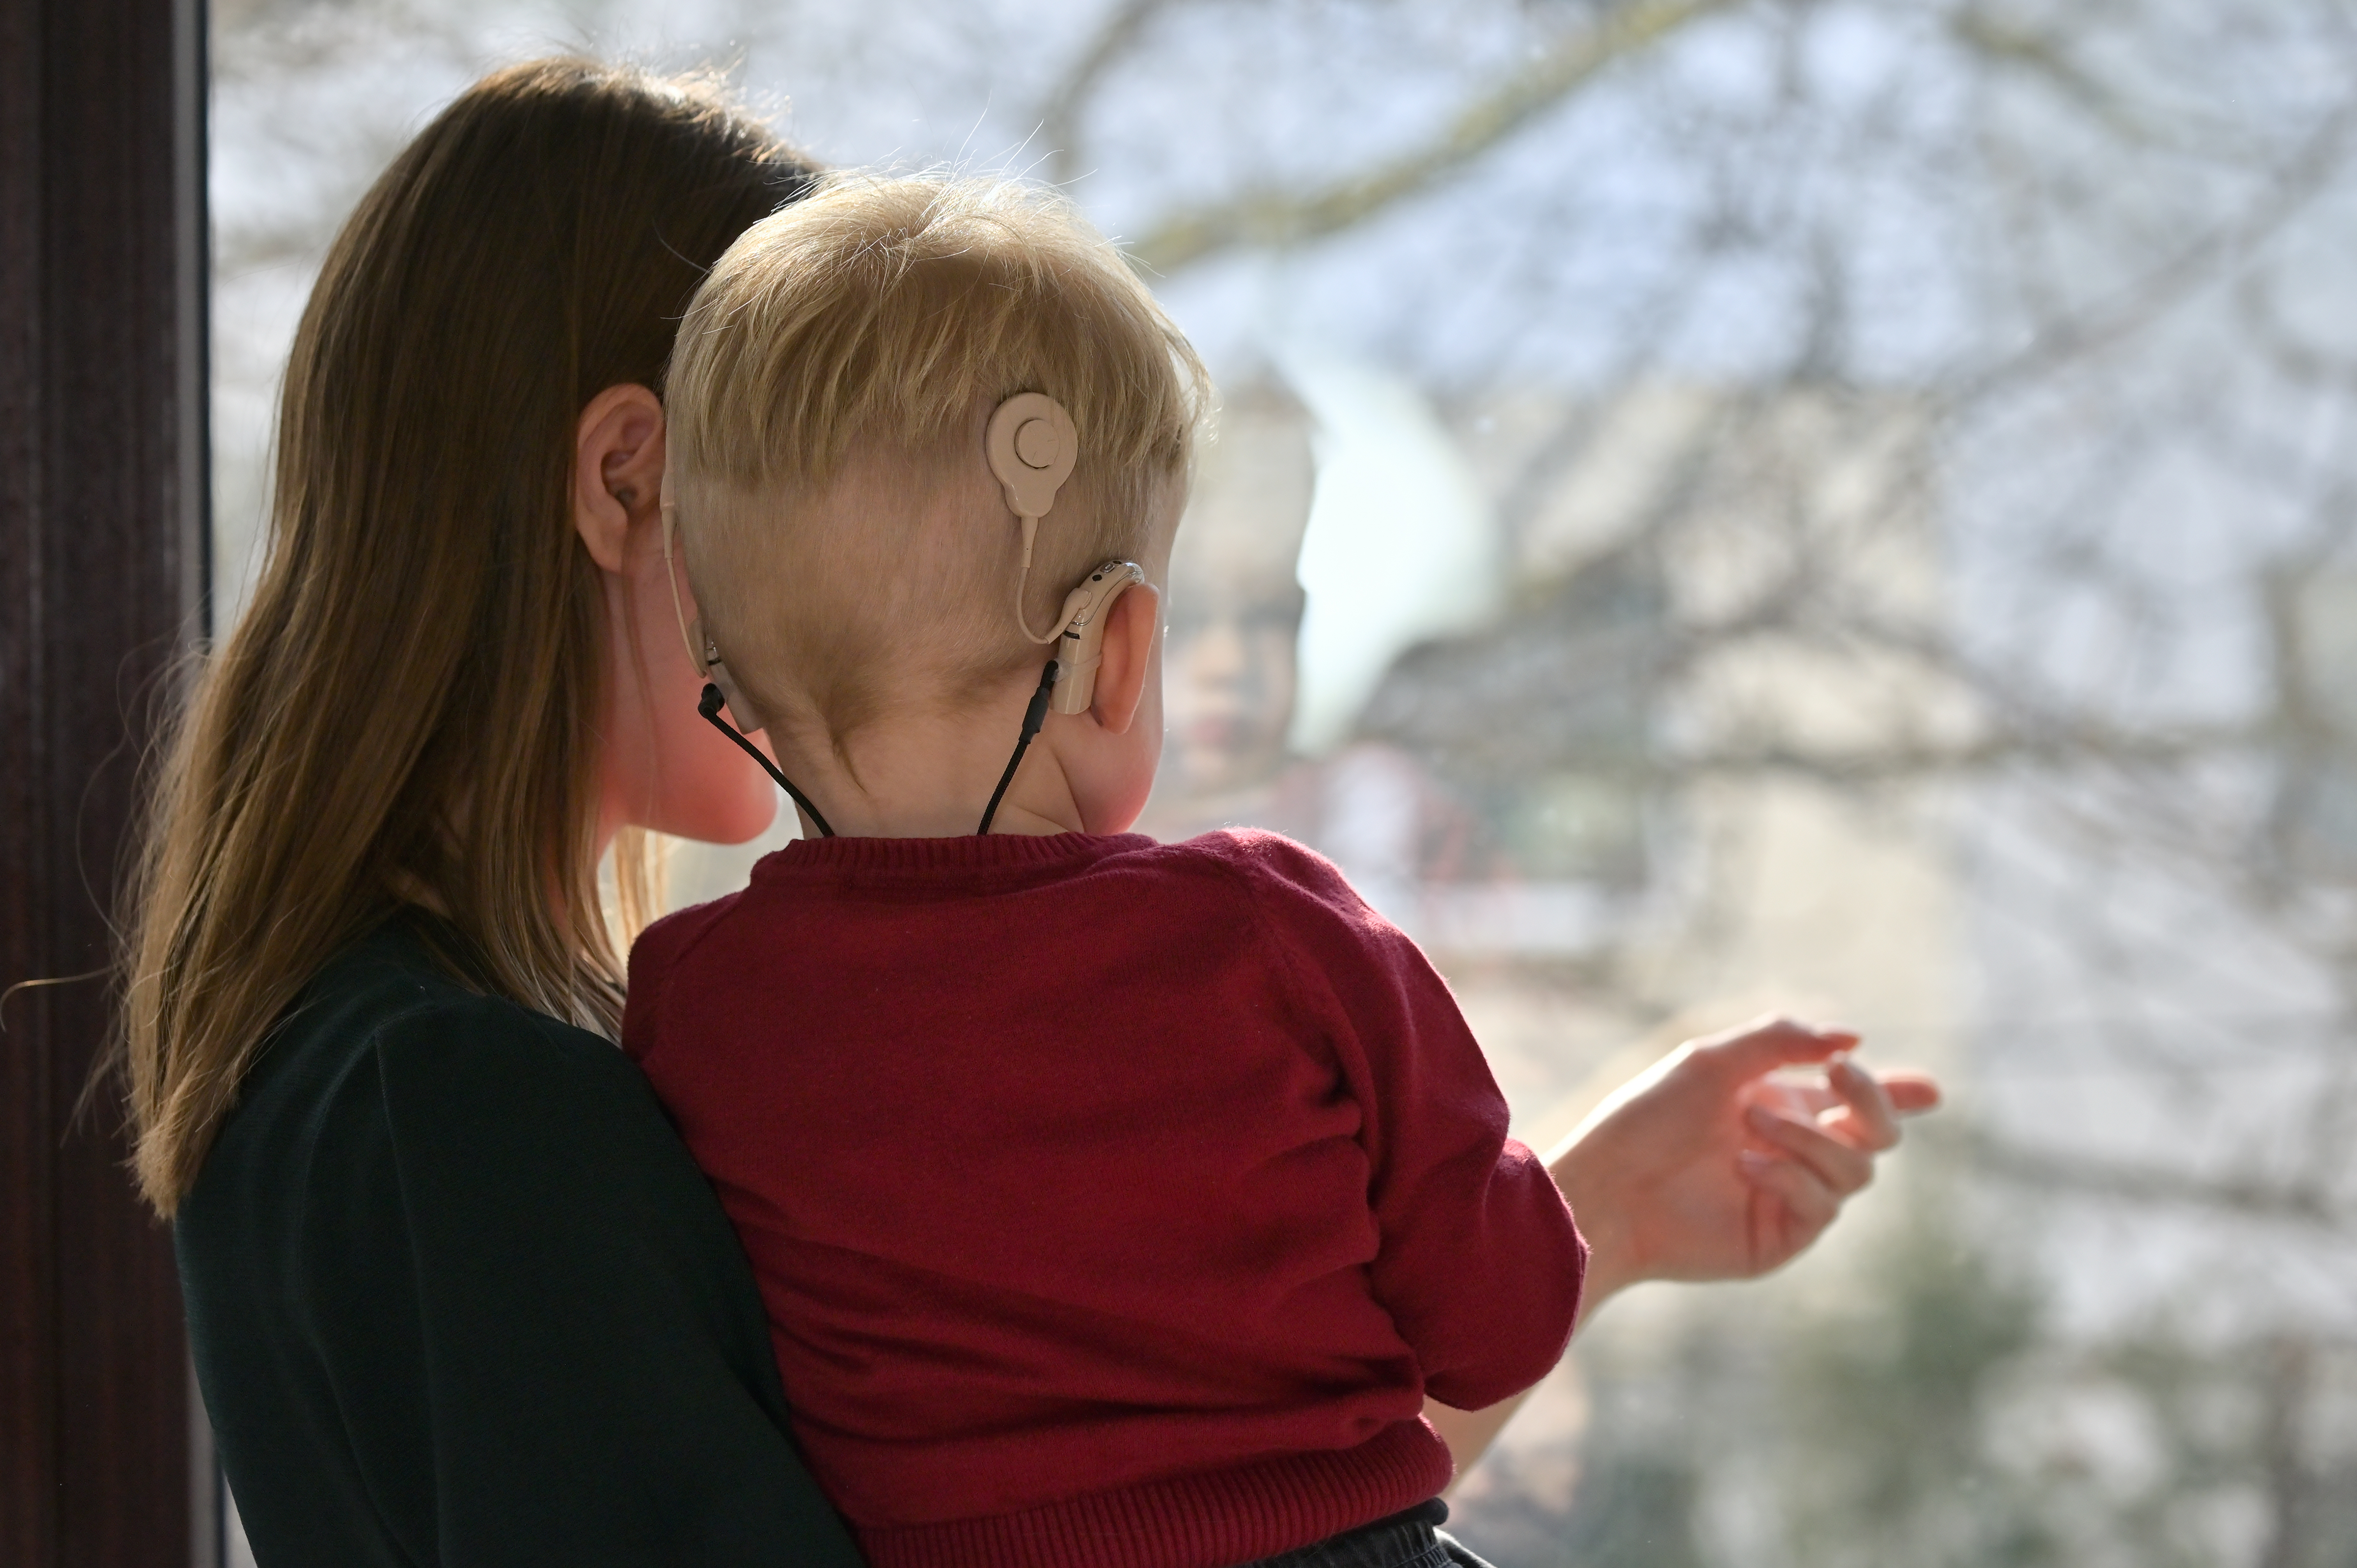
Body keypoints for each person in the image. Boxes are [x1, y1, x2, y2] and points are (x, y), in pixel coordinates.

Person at [630, 172, 1938, 1568]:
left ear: (726, 675)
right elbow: (1494, 1317)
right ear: (1127, 649)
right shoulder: (1268, 932)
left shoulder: (694, 1010)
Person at [120, 60, 867, 1566]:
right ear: (624, 477)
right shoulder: (470, 1102)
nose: (857, 603)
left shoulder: (362, 1054)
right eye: (822, 502)